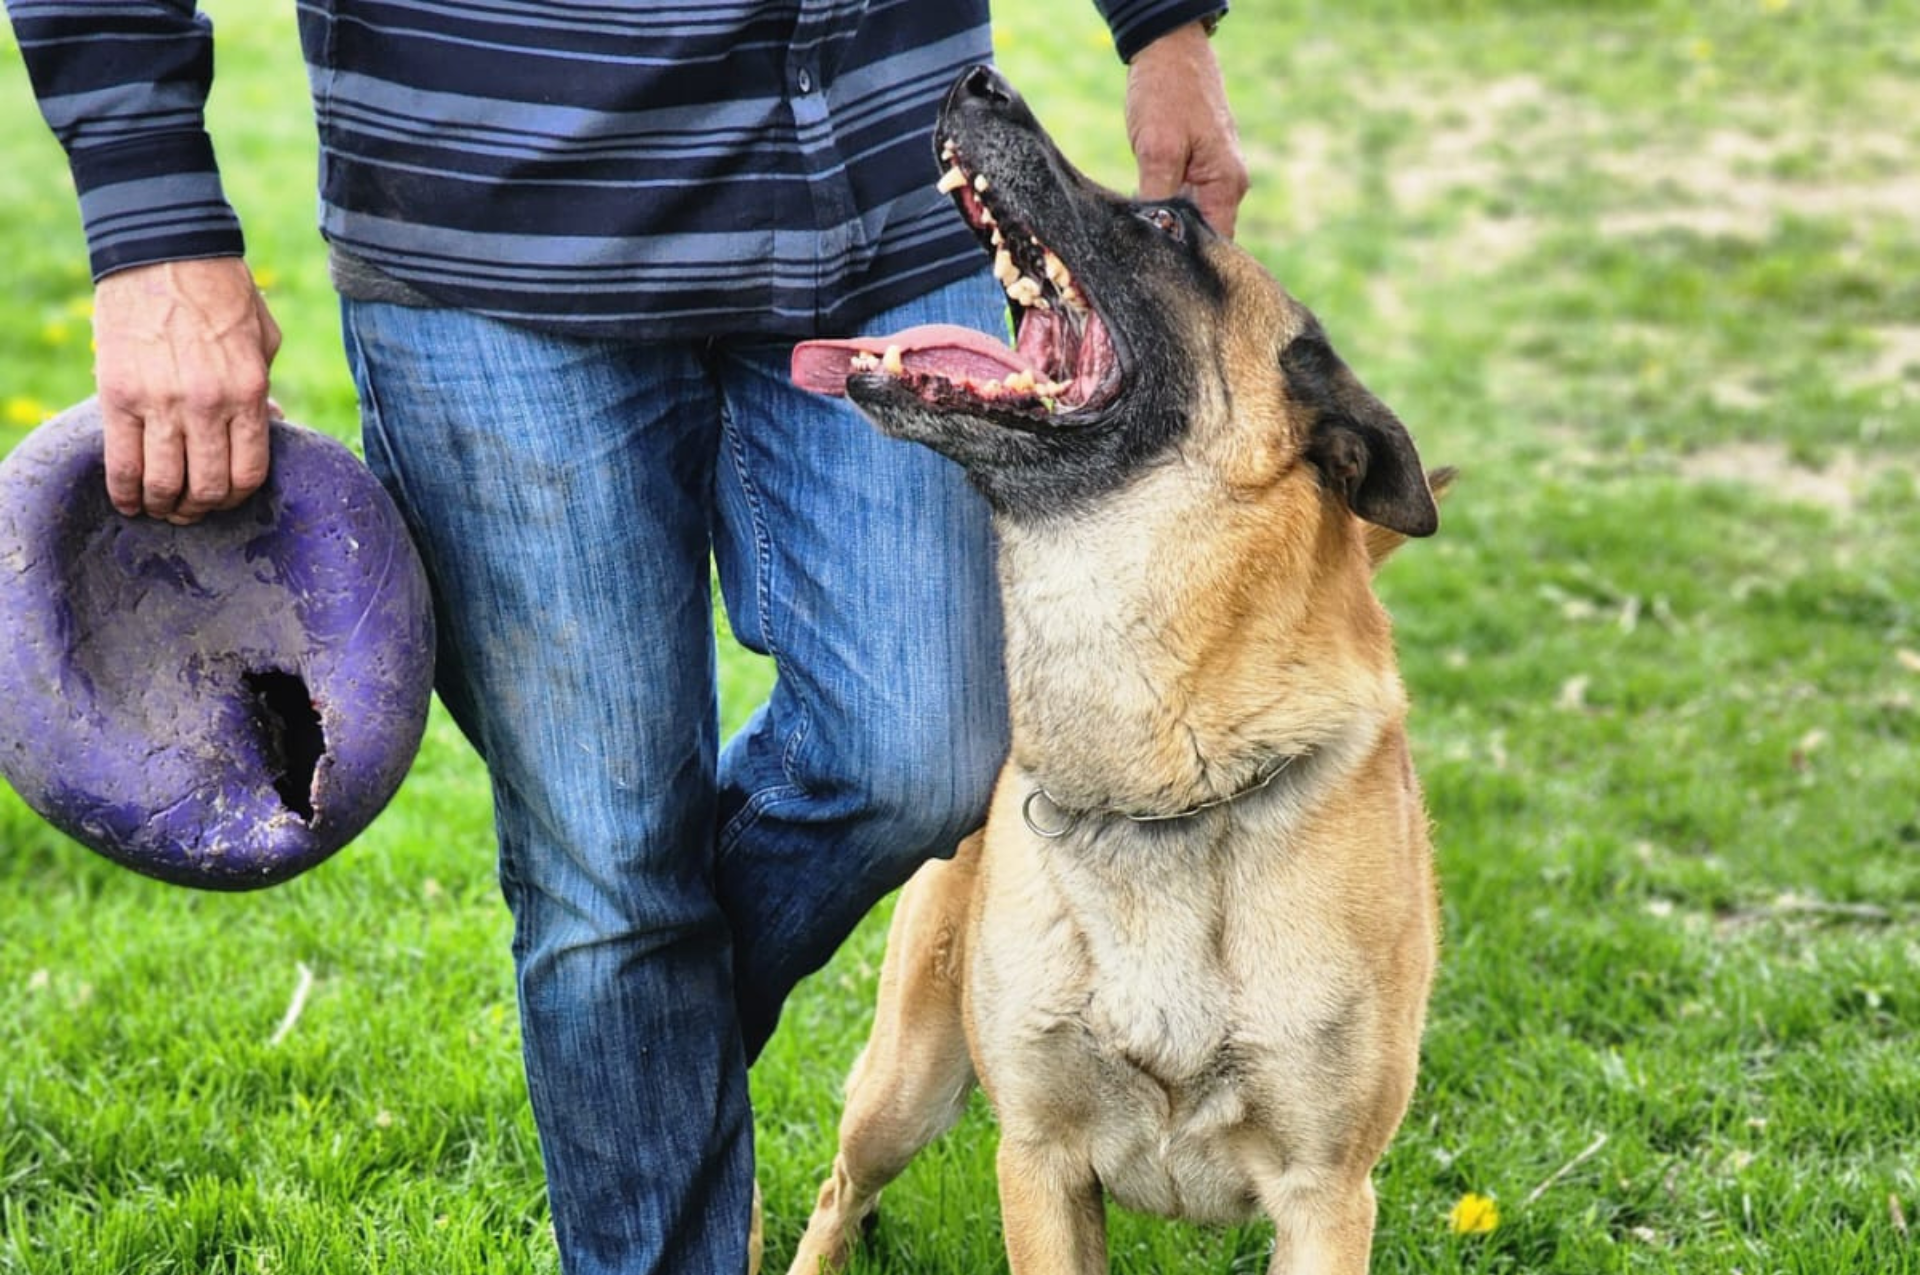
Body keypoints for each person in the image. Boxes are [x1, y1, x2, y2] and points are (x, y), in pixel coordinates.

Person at [7, 2, 1247, 1271]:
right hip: (490, 227)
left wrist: (1166, 30)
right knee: (606, 875)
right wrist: (153, 224)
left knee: (922, 752)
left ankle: (651, 1059)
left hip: (880, 168)